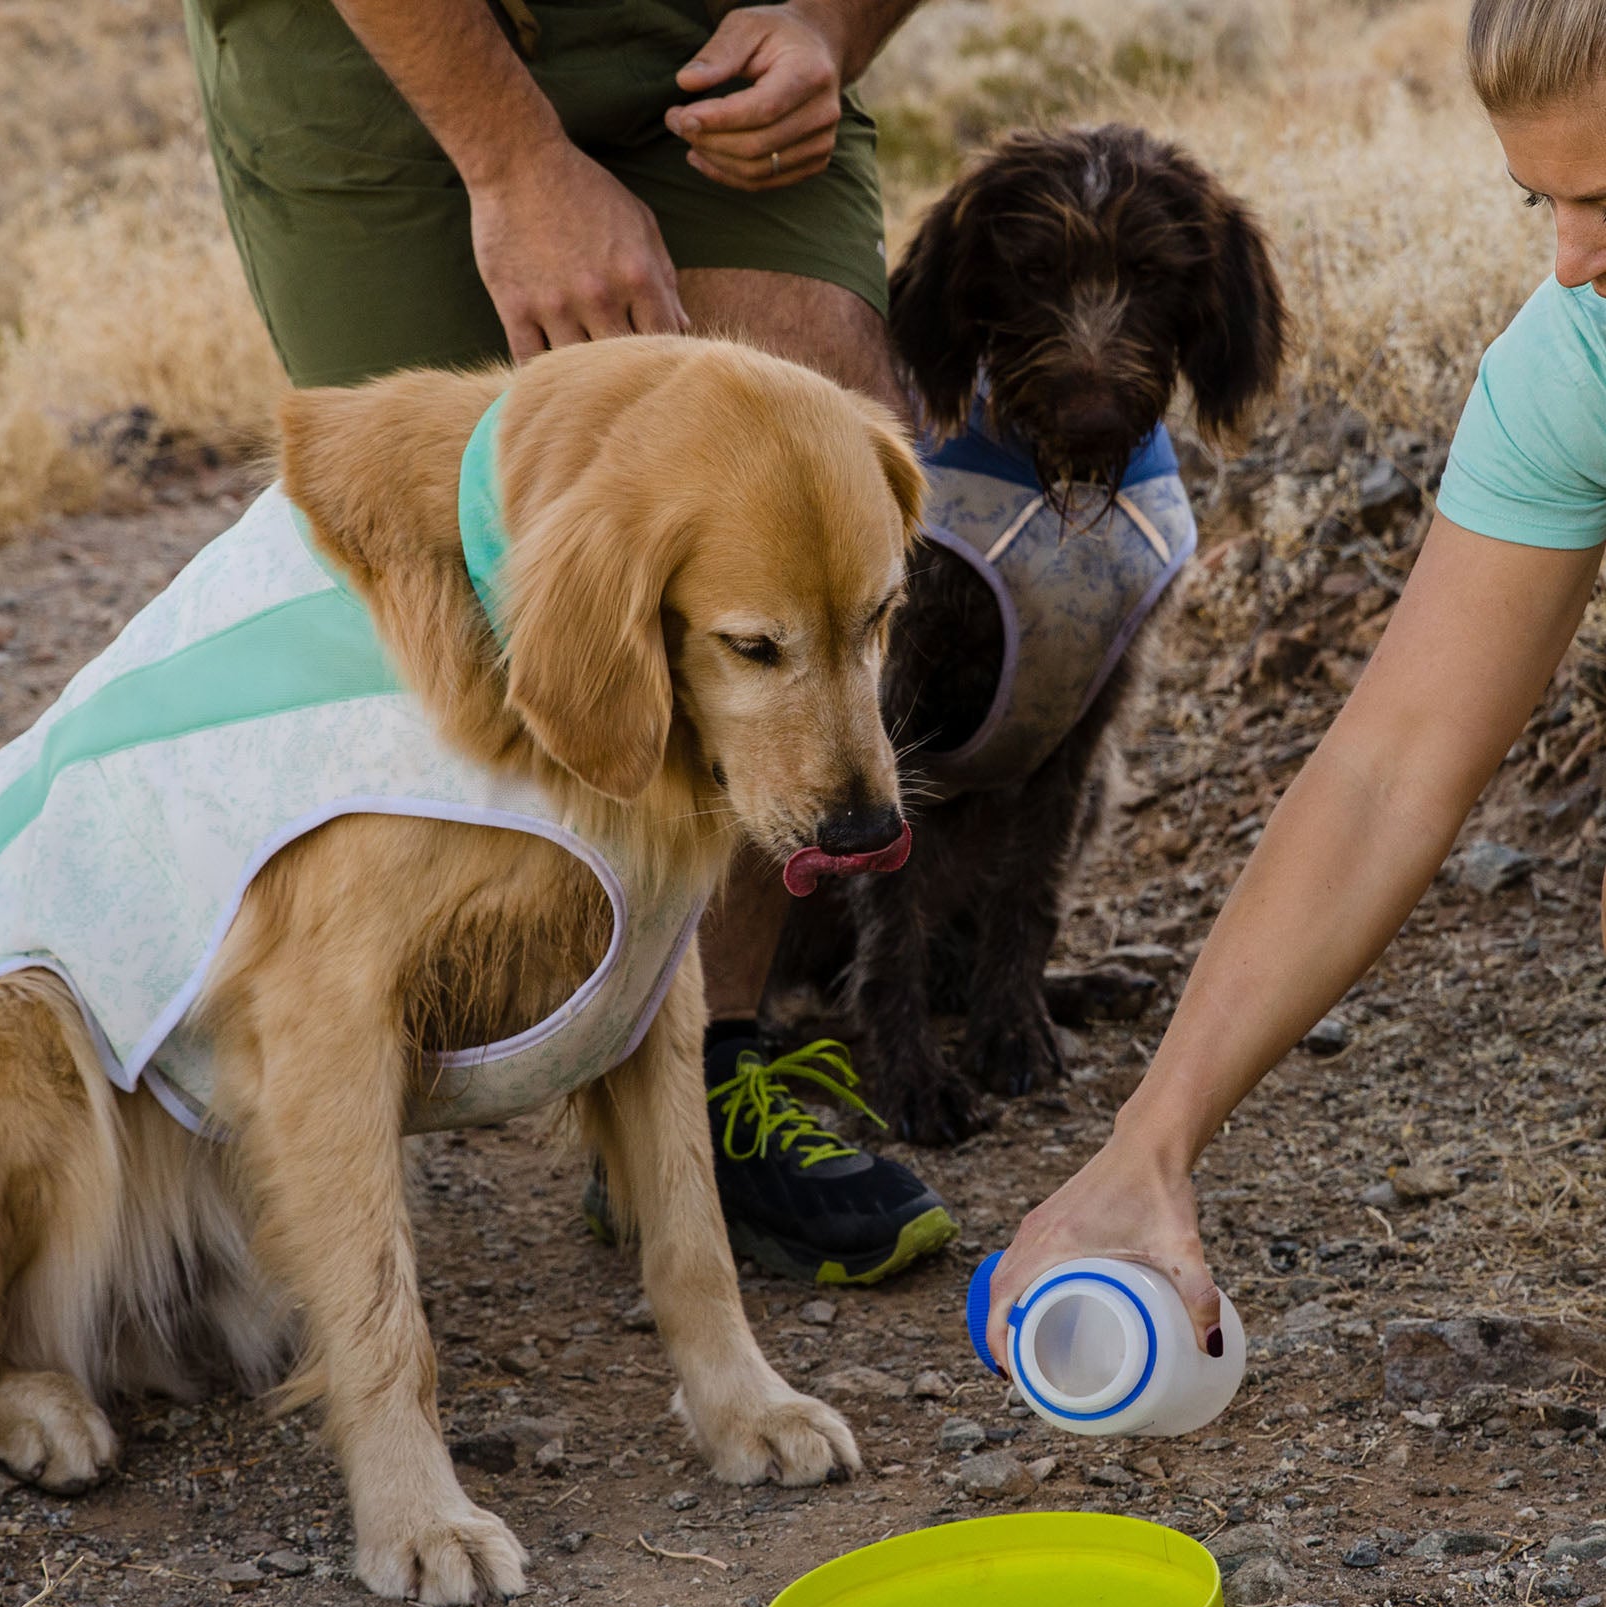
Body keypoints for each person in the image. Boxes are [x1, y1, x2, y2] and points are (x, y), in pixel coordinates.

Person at [181, 0, 956, 1284]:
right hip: (388, 44)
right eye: (766, 655)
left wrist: (827, 20)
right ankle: (352, 1050)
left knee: (815, 434)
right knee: (446, 562)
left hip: (706, 36)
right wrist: (512, 162)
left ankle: (703, 1072)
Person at [985, 0, 1606, 1364]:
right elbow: (1390, 772)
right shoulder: (1571, 366)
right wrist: (1149, 1141)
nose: (1570, 262)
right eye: (1541, 203)